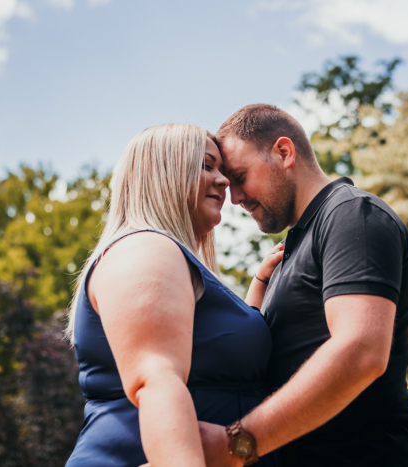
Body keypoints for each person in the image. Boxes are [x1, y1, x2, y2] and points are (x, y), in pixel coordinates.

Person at [199, 104, 408, 467]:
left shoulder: (352, 216)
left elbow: (361, 351)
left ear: (284, 152)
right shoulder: (293, 247)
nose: (236, 197)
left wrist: (240, 442)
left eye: (240, 176)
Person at [64, 123, 282, 467]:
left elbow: (222, 353)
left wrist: (258, 286)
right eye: (206, 165)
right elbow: (157, 381)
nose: (225, 182)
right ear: (164, 173)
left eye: (222, 170)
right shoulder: (145, 248)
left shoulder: (172, 259)